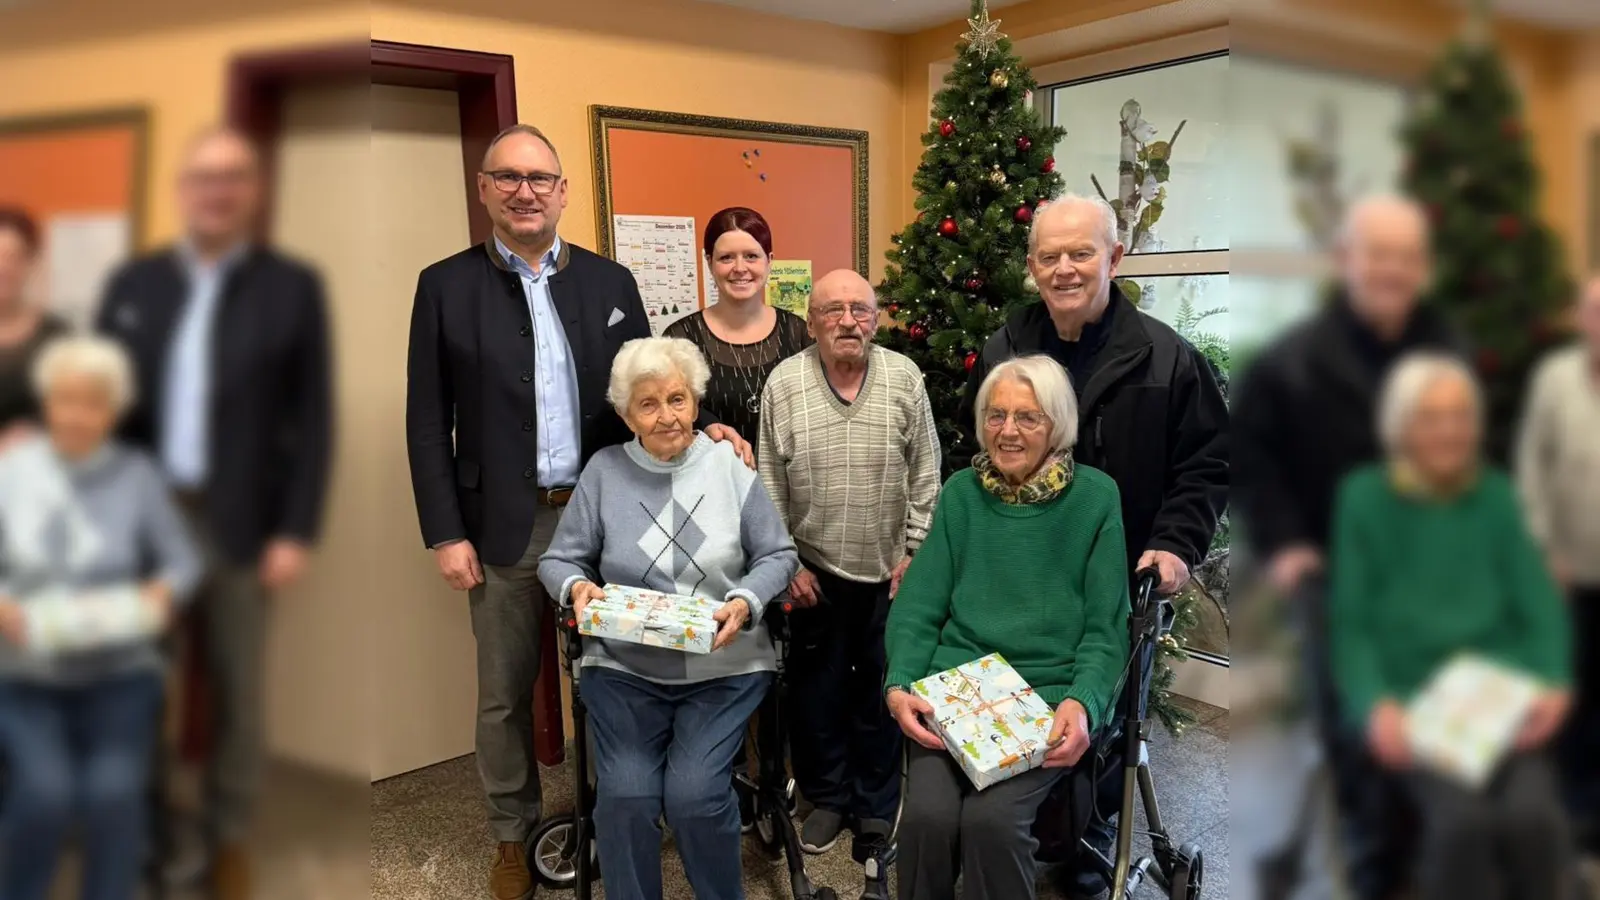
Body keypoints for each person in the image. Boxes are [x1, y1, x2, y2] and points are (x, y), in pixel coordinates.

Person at [405, 123, 750, 900]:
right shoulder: (445, 285)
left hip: (607, 515)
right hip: (502, 526)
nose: (525, 191)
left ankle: (614, 812)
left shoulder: (610, 282)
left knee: (615, 671)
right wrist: (444, 531)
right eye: (509, 177)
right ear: (486, 189)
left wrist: (708, 428)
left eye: (540, 178)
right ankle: (511, 832)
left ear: (562, 192)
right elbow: (427, 421)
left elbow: (649, 386)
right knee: (504, 691)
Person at [956, 194, 1226, 893]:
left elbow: (1207, 465)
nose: (1065, 268)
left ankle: (1084, 834)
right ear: (1032, 267)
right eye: (1050, 256)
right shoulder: (1003, 349)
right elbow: (978, 447)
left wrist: (1174, 545)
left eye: (1081, 253)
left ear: (1114, 257)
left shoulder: (1168, 359)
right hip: (1019, 572)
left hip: (1117, 574)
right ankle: (1003, 823)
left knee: (1098, 720)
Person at [95, 126, 332, 899]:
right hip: (141, 525)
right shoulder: (134, 285)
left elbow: (313, 417)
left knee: (237, 690)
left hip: (241, 524)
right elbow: (101, 408)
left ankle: (228, 838)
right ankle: (150, 833)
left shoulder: (289, 287)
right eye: (203, 178)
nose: (217, 191)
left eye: (233, 178)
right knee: (137, 686)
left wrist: (295, 529)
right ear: (182, 191)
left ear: (252, 192)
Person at [1231, 194, 1466, 898]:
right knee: (1362, 728)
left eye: (1406, 257)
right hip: (1332, 573)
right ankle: (1378, 868)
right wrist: (1285, 544)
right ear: (1346, 261)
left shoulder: (1447, 347)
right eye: (1378, 254)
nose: (1391, 270)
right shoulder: (1293, 359)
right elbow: (1250, 456)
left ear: (1422, 268)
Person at [537, 336, 798, 900]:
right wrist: (576, 586)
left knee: (695, 794)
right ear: (626, 413)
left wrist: (746, 601)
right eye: (648, 404)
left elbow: (779, 554)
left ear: (695, 400)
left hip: (723, 665)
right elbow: (558, 560)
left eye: (677, 399)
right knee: (625, 795)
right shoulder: (604, 473)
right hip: (625, 667)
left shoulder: (729, 466)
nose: (666, 416)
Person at [1329, 352, 1574, 900]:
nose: (1450, 431)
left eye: (1461, 416)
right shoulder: (1365, 500)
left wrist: (1554, 681)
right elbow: (1352, 624)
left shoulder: (1495, 496)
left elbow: (1538, 605)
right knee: (1463, 826)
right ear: (1402, 427)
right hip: (1416, 702)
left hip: (1502, 693)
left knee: (1536, 821)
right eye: (1432, 417)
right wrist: (1375, 703)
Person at [885, 355, 1129, 900]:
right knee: (926, 817)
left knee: (992, 823)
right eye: (996, 416)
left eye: (1028, 417)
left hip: (1045, 699)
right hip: (955, 693)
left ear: (1057, 424)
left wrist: (1084, 702)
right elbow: (919, 606)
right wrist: (900, 684)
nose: (1008, 431)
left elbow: (1105, 627)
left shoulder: (1095, 498)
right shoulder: (961, 495)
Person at [0, 335, 202, 900]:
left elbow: (182, 559)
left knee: (114, 796)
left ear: (113, 411)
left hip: (119, 675)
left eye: (93, 402)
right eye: (65, 400)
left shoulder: (136, 475)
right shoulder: (13, 471)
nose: (77, 415)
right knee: (45, 792)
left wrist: (164, 591)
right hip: (26, 677)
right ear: (46, 404)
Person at [758, 269, 941, 859]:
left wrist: (915, 551)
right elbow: (767, 485)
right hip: (813, 572)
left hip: (892, 574)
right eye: (833, 310)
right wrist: (786, 560)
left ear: (877, 318)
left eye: (860, 310)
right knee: (817, 694)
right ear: (811, 321)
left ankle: (875, 805)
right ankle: (828, 796)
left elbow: (926, 475)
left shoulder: (904, 378)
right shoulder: (784, 383)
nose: (847, 321)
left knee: (882, 693)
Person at [1517, 273, 1600, 845]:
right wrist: (1544, 548)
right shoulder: (1556, 379)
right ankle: (1577, 807)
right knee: (1573, 687)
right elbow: (1531, 466)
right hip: (1569, 572)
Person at [663, 206, 811, 450]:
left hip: (787, 480)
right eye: (726, 257)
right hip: (710, 478)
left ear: (769, 261)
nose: (740, 268)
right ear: (709, 262)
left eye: (751, 256)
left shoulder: (799, 333)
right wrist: (705, 424)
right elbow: (667, 408)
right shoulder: (680, 338)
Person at [0, 207, 70, 448]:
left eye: (14, 257)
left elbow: (78, 411)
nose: (4, 268)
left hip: (37, 474)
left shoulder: (58, 336)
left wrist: (39, 433)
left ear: (31, 263)